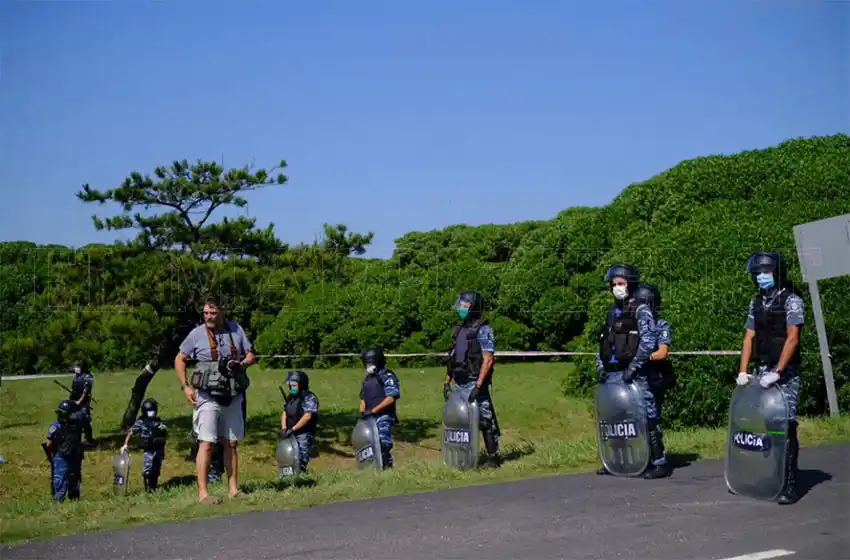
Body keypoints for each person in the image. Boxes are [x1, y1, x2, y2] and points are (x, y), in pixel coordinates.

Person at [737, 251, 804, 505]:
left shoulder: (792, 301)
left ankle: (789, 483)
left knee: (784, 425)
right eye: (757, 274)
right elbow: (749, 338)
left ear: (776, 273)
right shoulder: (756, 302)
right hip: (762, 370)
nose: (760, 278)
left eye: (764, 272)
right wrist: (743, 371)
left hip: (785, 373)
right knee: (766, 425)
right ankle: (772, 478)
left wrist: (778, 371)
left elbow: (792, 338)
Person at [174, 296, 256, 504]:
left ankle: (233, 489)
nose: (209, 317)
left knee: (232, 443)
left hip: (233, 394)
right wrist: (185, 386)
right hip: (207, 395)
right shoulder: (196, 334)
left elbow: (251, 355)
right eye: (206, 313)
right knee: (206, 443)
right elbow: (180, 358)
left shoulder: (236, 329)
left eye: (213, 313)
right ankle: (203, 494)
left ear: (223, 312)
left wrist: (242, 364)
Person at [596, 264, 671, 479]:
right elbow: (603, 343)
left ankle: (659, 461)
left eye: (621, 283)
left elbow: (647, 342)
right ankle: (618, 462)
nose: (616, 287)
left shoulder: (640, 310)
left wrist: (633, 367)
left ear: (631, 284)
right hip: (613, 374)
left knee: (647, 415)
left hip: (636, 374)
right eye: (613, 284)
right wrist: (601, 367)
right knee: (616, 417)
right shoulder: (611, 313)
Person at [444, 290, 501, 467]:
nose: (461, 308)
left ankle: (493, 458)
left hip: (474, 380)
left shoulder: (484, 329)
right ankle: (463, 458)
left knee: (484, 419)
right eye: (460, 304)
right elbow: (454, 358)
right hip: (459, 382)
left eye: (465, 305)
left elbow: (488, 359)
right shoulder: (459, 329)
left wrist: (478, 386)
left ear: (474, 307)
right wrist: (446, 382)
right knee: (460, 420)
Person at [635, 283, 674, 470]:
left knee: (652, 418)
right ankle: (640, 457)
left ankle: (659, 459)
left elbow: (662, 352)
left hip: (653, 378)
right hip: (635, 378)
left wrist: (645, 357)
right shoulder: (635, 324)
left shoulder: (661, 324)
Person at [359, 348, 401, 469]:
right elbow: (363, 398)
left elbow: (391, 397)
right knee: (369, 444)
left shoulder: (388, 376)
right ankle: (374, 467)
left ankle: (386, 467)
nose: (368, 366)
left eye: (370, 363)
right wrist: (363, 413)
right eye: (366, 363)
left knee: (382, 443)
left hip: (384, 416)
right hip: (368, 418)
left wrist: (374, 411)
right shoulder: (367, 379)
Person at [42, 399, 86, 502]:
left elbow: (48, 444)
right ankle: (74, 498)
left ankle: (59, 500)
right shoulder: (78, 424)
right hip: (76, 455)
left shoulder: (56, 425)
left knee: (60, 479)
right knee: (74, 478)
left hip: (62, 456)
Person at [121, 398, 168, 492]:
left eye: (153, 411)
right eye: (150, 411)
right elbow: (131, 432)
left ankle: (154, 487)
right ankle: (148, 489)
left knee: (156, 469)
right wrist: (125, 445)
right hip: (149, 449)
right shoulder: (141, 422)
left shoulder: (158, 421)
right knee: (148, 469)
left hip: (158, 449)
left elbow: (164, 431)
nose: (152, 413)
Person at [280, 370, 319, 472]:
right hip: (289, 432)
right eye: (289, 386)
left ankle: (300, 478)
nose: (291, 388)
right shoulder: (291, 397)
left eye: (293, 386)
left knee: (300, 459)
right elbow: (285, 412)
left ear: (301, 385)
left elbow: (307, 416)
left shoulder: (309, 398)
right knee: (288, 457)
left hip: (303, 433)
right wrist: (284, 428)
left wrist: (293, 429)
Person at [68, 360, 96, 446]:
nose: (76, 368)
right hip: (74, 400)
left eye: (78, 366)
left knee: (84, 419)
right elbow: (73, 388)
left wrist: (79, 401)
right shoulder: (76, 376)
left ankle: (89, 439)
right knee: (73, 419)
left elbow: (86, 391)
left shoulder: (88, 377)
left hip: (83, 401)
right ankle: (75, 438)